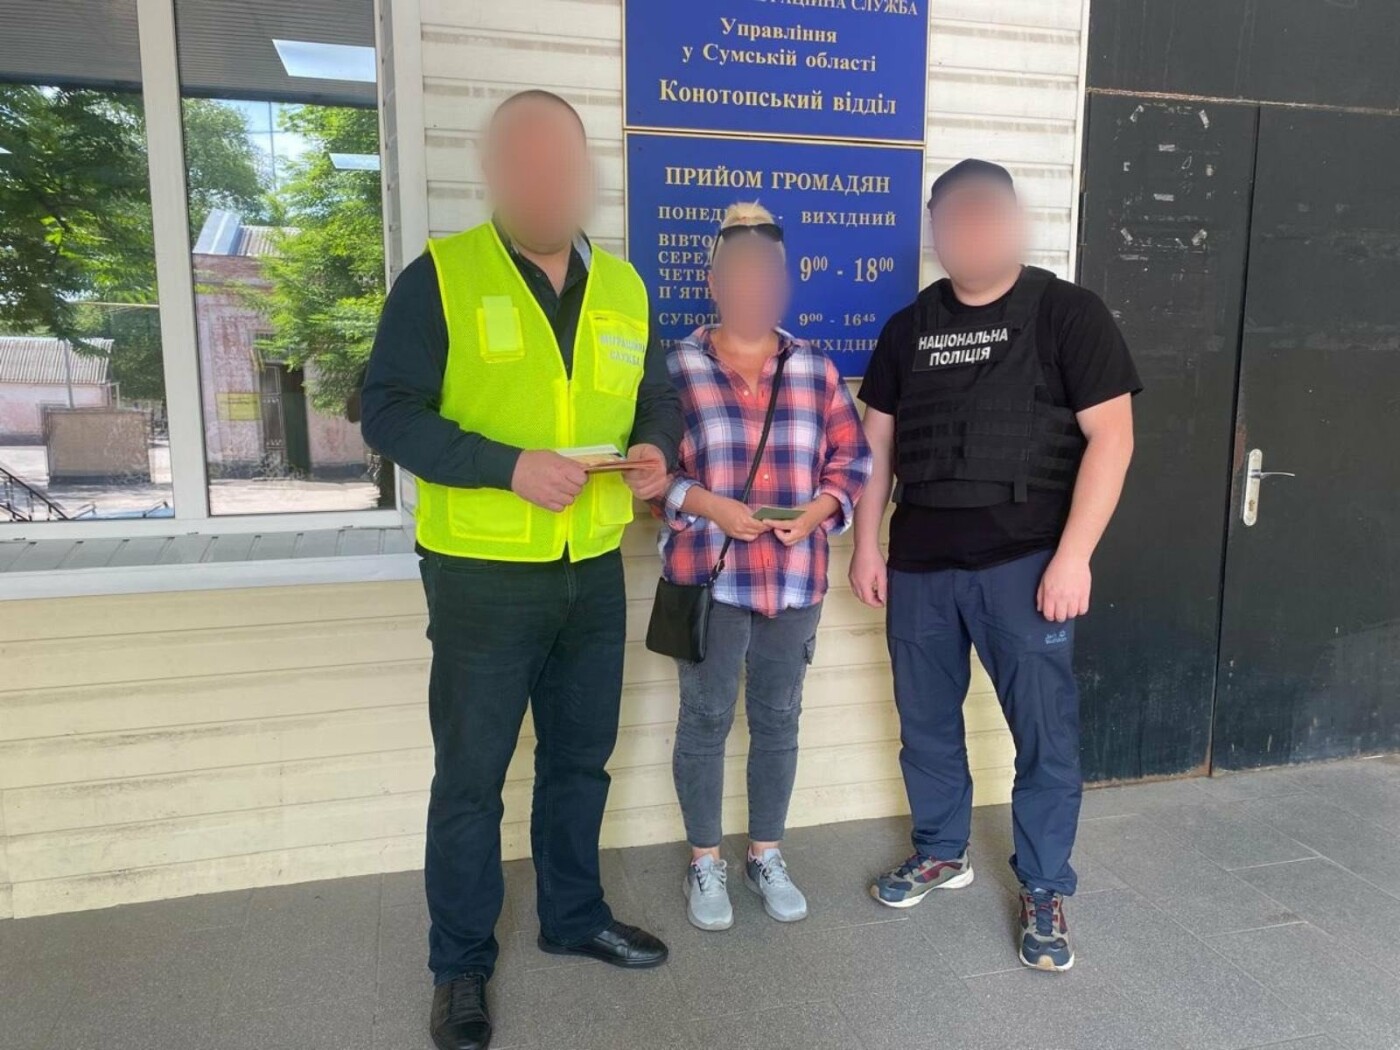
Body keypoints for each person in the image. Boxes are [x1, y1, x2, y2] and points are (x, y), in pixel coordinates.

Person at [360, 90, 682, 1050]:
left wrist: (658, 450)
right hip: (482, 575)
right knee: (471, 779)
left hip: (593, 567)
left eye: (561, 166)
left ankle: (572, 916)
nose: (546, 183)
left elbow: (654, 398)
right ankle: (459, 964)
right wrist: (508, 467)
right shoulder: (440, 278)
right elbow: (388, 413)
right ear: (493, 172)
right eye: (526, 164)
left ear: (586, 174)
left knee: (580, 760)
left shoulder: (624, 285)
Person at [850, 159, 1139, 972]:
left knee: (1043, 734)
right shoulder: (907, 327)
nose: (969, 231)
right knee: (926, 725)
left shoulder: (1068, 313)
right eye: (954, 218)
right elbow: (877, 445)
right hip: (921, 565)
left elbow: (1113, 439)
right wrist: (867, 543)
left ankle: (1044, 884)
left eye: (986, 215)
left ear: (1014, 222)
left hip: (1026, 564)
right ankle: (942, 850)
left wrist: (1075, 556)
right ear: (936, 230)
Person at [660, 202, 871, 932]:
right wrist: (710, 506)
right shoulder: (676, 369)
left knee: (779, 718)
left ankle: (766, 853)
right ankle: (705, 860)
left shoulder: (815, 368)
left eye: (768, 276)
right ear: (713, 283)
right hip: (708, 578)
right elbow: (652, 475)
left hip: (794, 579)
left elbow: (852, 460)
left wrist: (820, 512)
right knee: (706, 718)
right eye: (740, 274)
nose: (755, 288)